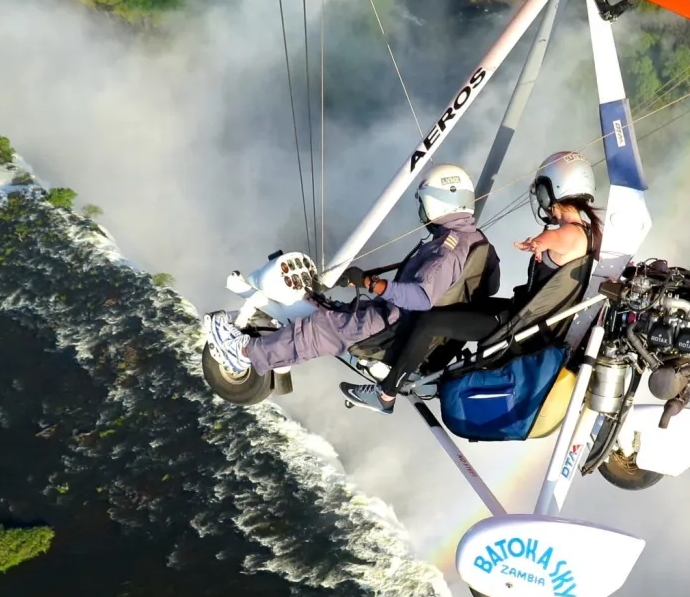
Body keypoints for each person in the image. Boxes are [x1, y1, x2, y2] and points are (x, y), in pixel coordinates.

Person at [339, 150, 601, 415]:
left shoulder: (570, 233)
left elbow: (558, 239)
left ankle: (385, 395)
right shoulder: (589, 232)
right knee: (468, 305)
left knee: (428, 322)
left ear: (551, 190)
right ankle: (428, 372)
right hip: (523, 316)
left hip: (519, 326)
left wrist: (538, 242)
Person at [205, 164, 495, 385]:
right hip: (419, 331)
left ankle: (243, 353)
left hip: (394, 329)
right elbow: (486, 285)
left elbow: (420, 297)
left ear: (437, 203)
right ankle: (278, 336)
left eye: (423, 204)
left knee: (317, 330)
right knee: (334, 311)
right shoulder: (476, 241)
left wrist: (370, 283)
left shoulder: (447, 248)